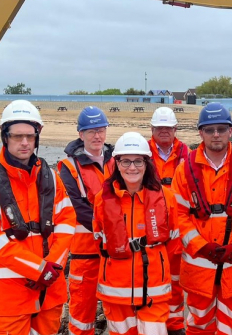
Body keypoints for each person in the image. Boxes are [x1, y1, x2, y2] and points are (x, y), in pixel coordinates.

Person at [0, 100, 77, 334]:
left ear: (37, 136)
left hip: (49, 293)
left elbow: (67, 223)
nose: (25, 143)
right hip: (8, 298)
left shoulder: (51, 177)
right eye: (18, 136)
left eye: (30, 136)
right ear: (5, 137)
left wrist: (53, 266)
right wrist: (40, 270)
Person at [171, 102, 232, 335]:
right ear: (201, 132)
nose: (216, 134)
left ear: (230, 131)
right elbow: (178, 214)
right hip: (199, 268)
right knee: (198, 325)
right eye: (210, 129)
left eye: (221, 129)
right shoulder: (184, 170)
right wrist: (201, 246)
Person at [94, 132, 180, 335]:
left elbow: (174, 243)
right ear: (116, 163)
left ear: (147, 163)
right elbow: (98, 241)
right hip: (115, 291)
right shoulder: (102, 200)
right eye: (125, 161)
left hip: (154, 292)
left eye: (138, 161)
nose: (132, 167)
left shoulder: (166, 198)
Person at [57, 106, 115, 335]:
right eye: (91, 131)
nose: (97, 136)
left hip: (115, 251)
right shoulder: (69, 167)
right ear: (81, 134)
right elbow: (78, 208)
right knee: (82, 313)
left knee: (118, 307)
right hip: (85, 253)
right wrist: (111, 228)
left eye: (101, 129)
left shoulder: (117, 160)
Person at [148, 107, 189, 335]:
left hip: (178, 227)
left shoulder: (189, 154)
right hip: (149, 225)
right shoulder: (141, 152)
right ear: (152, 129)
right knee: (151, 275)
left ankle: (174, 325)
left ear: (175, 129)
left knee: (175, 278)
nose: (164, 131)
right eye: (159, 128)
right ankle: (154, 321)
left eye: (168, 128)